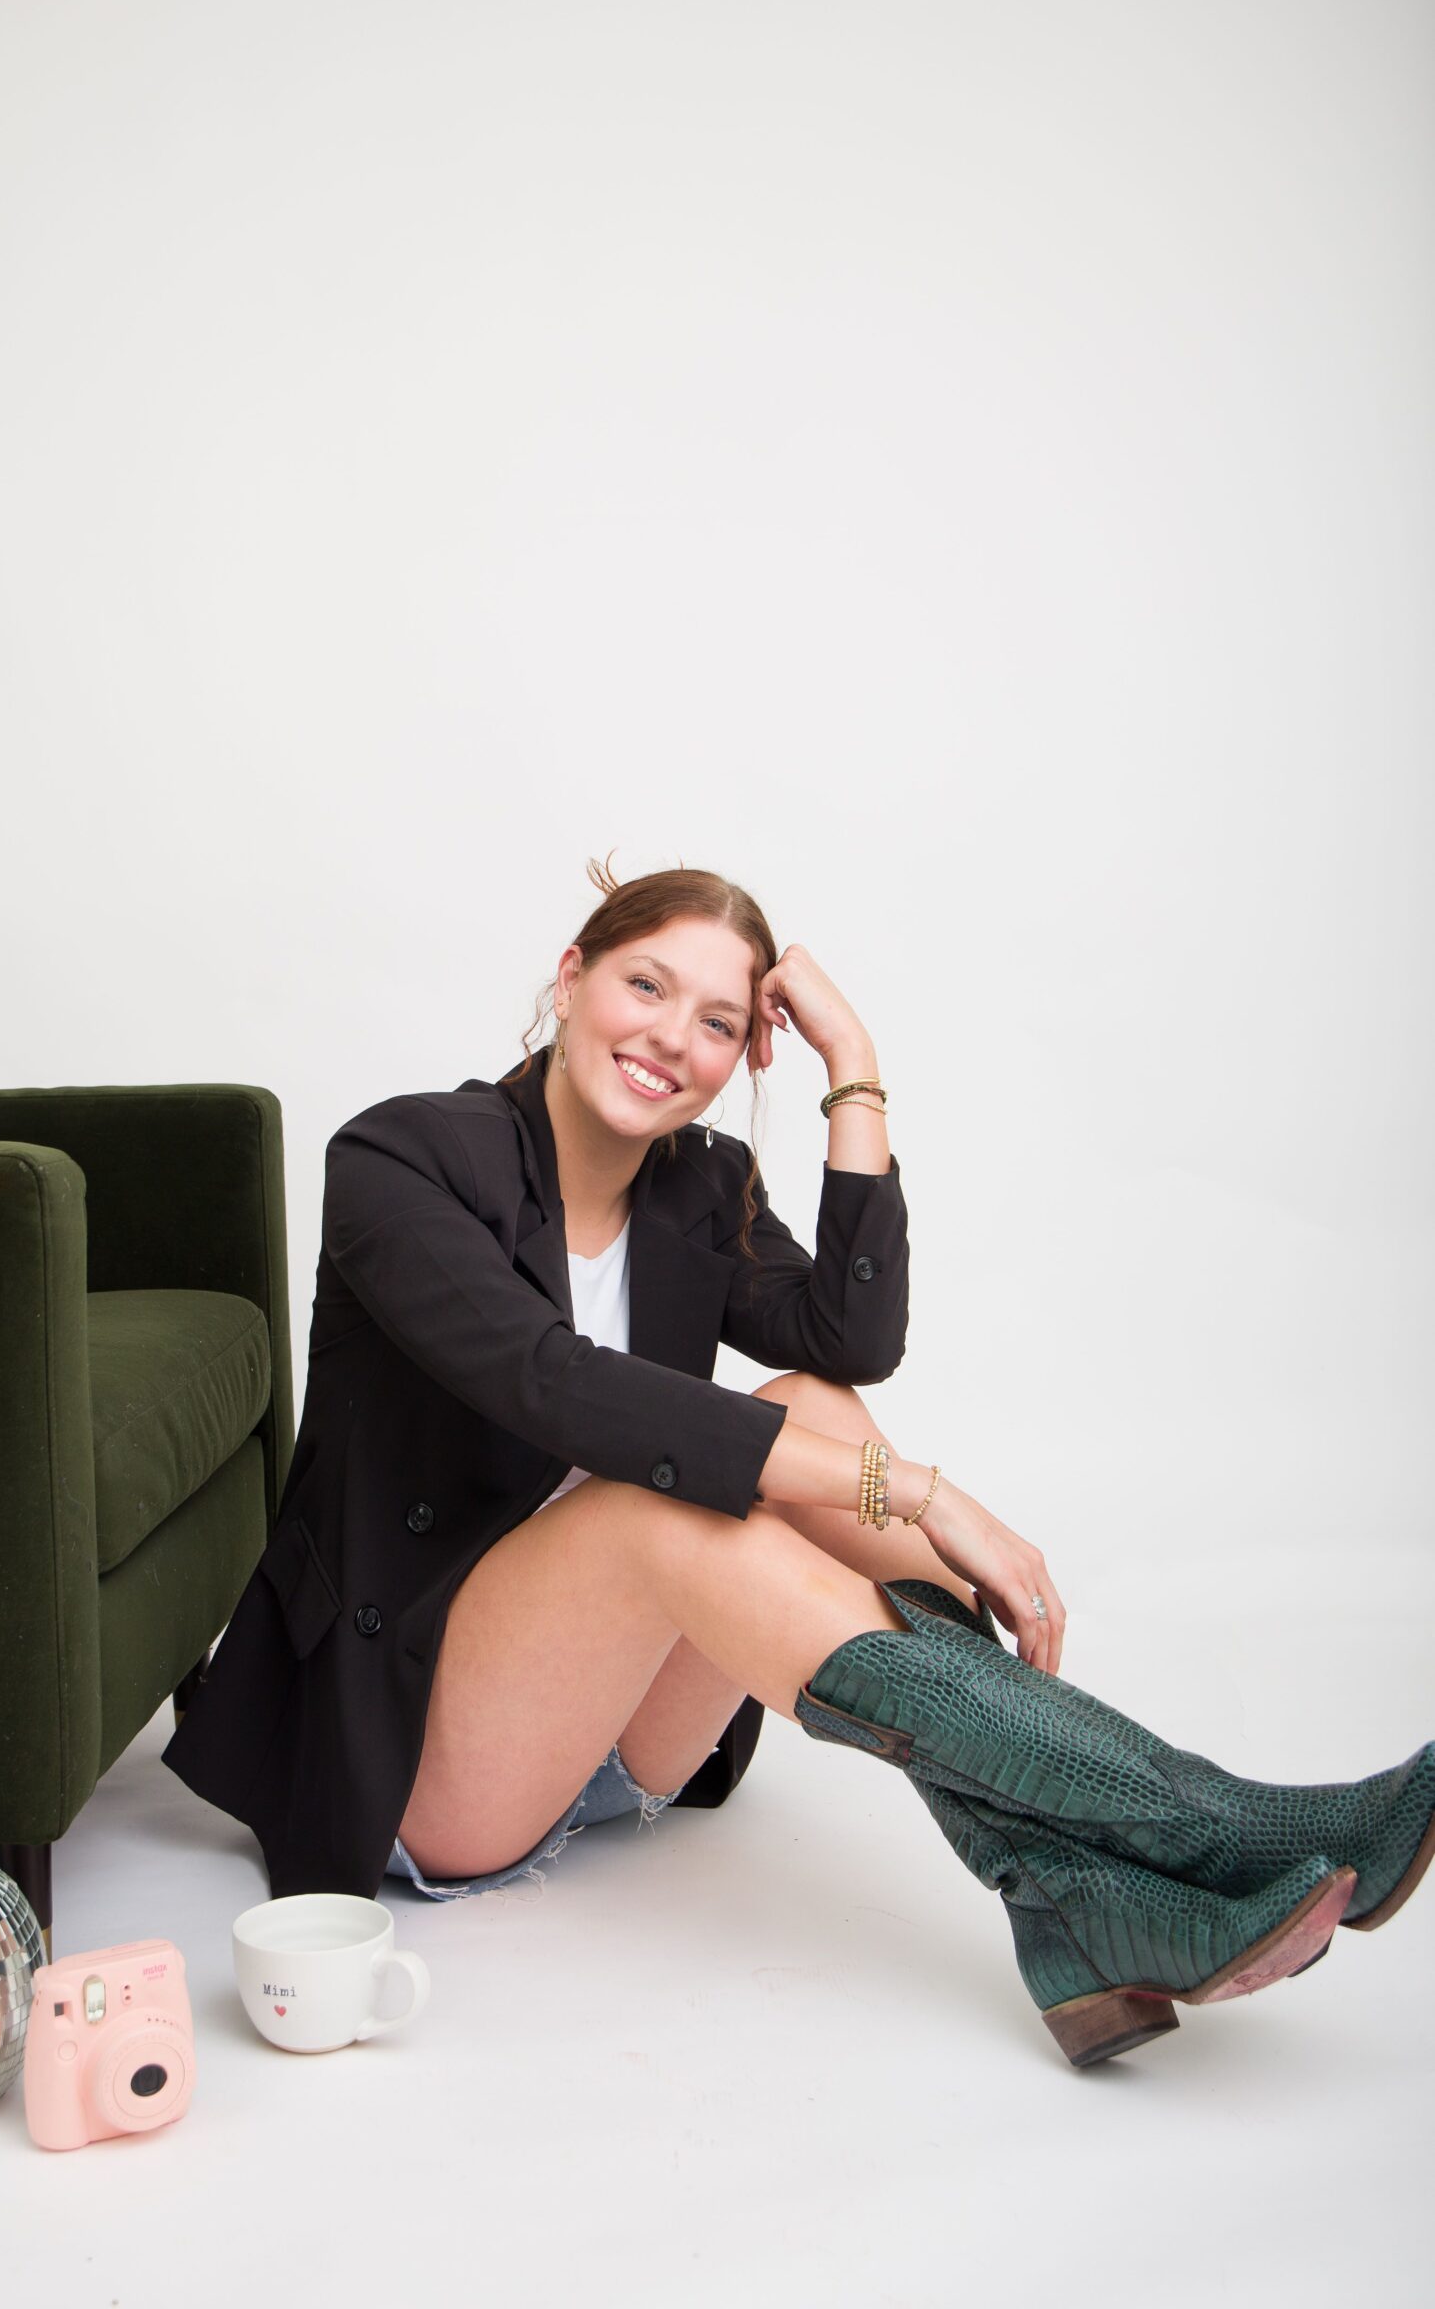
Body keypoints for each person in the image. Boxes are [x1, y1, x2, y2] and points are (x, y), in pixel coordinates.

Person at [163, 859, 1435, 2068]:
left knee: (811, 1404)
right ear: (571, 977)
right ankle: (1211, 1832)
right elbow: (558, 1388)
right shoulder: (401, 1159)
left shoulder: (697, 1187)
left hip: (619, 1731)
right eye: (647, 986)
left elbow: (850, 1339)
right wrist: (927, 1495)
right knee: (648, 1506)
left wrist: (857, 1067)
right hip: (425, 1747)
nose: (671, 1037)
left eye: (719, 1021)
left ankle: (1070, 1891)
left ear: (739, 1057)